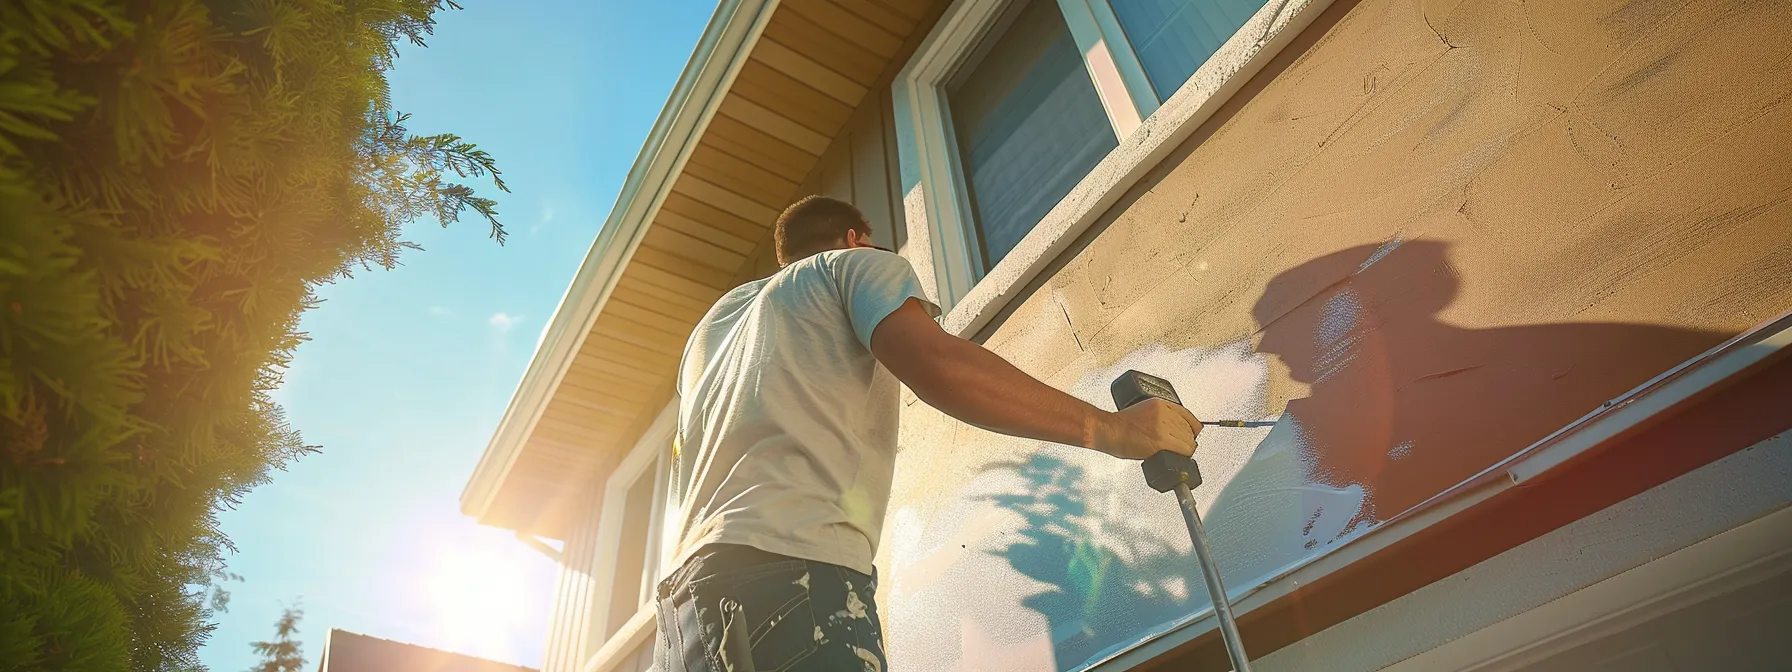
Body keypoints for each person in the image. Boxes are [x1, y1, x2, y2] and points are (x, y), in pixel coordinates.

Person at [653, 195, 1202, 672]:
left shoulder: (713, 329)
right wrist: (1114, 429)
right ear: (853, 238)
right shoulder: (851, 267)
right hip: (791, 579)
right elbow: (939, 364)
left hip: (683, 612)